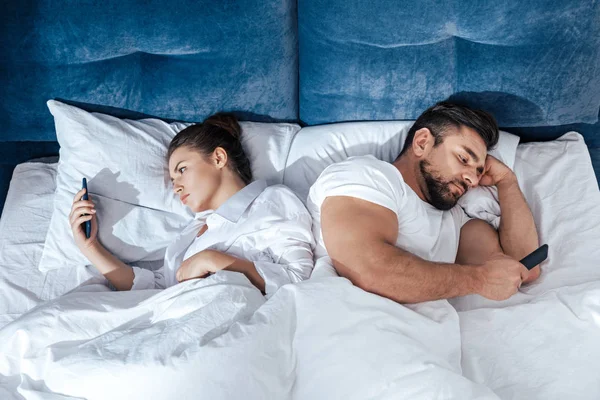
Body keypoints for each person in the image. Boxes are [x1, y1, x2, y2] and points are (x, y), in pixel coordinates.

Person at [307, 102, 540, 304]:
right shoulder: (368, 176)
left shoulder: (455, 221)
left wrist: (506, 182)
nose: (473, 178)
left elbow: (520, 269)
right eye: (463, 158)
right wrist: (477, 280)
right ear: (421, 143)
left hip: (420, 350)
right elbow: (369, 269)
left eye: (479, 171)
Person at [68, 113, 314, 296]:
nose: (176, 187)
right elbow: (155, 288)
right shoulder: (191, 232)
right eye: (173, 179)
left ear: (218, 158)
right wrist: (90, 247)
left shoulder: (272, 200)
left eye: (182, 170)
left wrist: (213, 260)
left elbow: (298, 279)